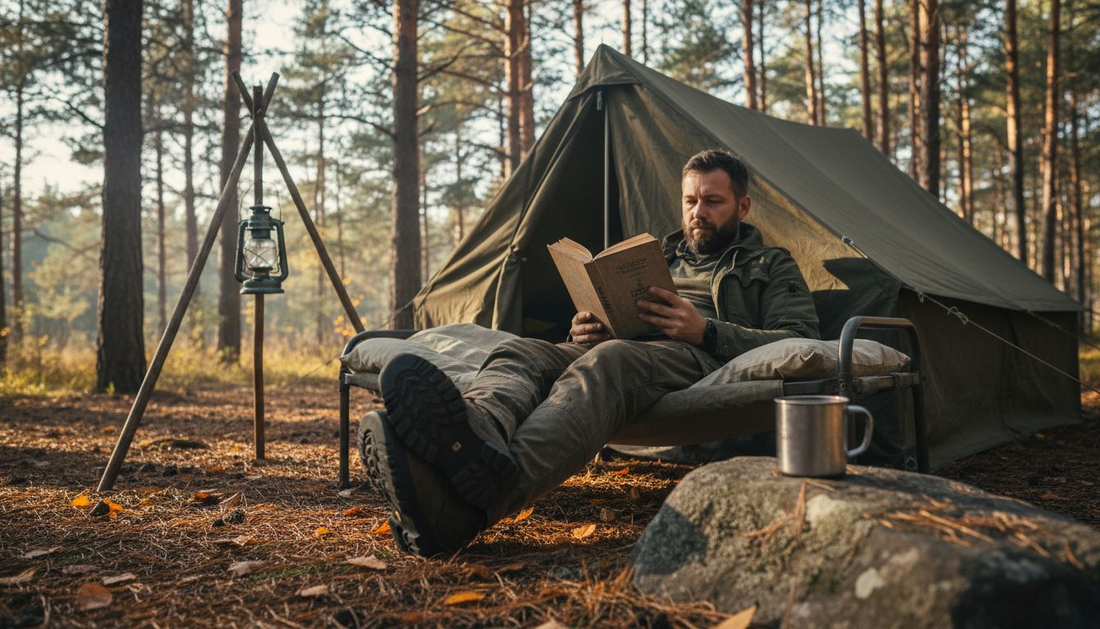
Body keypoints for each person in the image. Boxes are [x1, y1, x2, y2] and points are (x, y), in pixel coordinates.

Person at [360, 149, 821, 556]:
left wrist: (707, 331)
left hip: (692, 356)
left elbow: (800, 337)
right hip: (625, 344)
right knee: (525, 352)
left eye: (713, 202)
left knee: (610, 362)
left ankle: (469, 509)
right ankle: (481, 431)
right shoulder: (660, 254)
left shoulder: (769, 263)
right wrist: (588, 326)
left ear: (741, 206)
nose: (698, 212)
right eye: (690, 201)